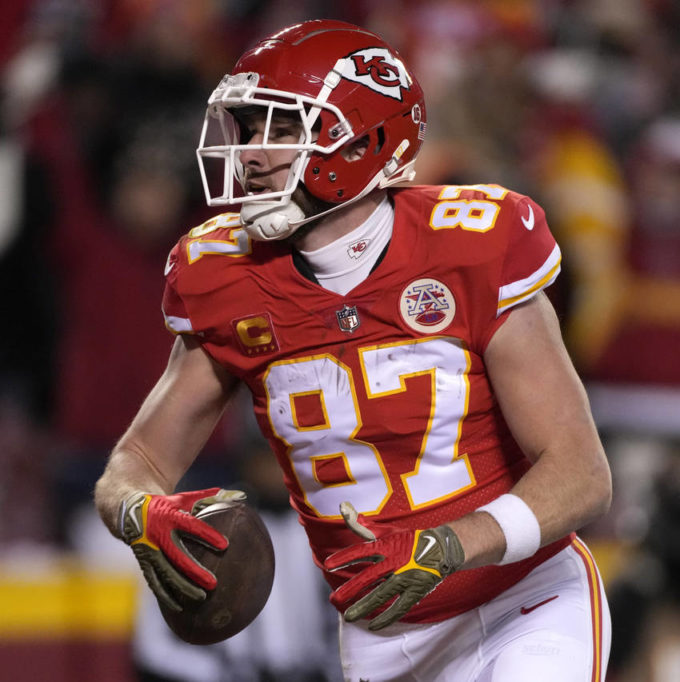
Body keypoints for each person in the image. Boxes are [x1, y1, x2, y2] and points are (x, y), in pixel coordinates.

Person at [93, 19, 612, 682]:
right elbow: (134, 464)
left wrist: (450, 546)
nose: (250, 153)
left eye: (280, 129)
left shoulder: (473, 244)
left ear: (362, 139)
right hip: (381, 630)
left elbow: (581, 474)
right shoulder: (224, 276)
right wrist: (141, 512)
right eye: (247, 130)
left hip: (524, 600)